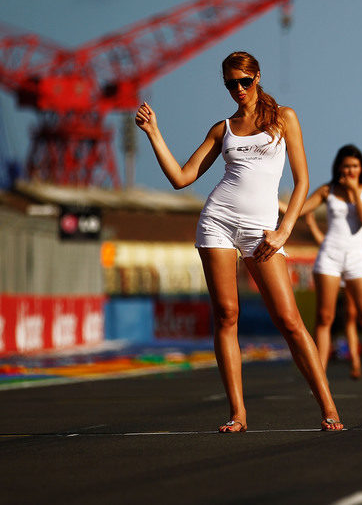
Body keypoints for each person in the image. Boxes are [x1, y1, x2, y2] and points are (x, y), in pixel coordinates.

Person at [134, 51, 342, 432]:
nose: (239, 89)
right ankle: (238, 414)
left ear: (258, 77)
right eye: (231, 83)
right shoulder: (223, 129)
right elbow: (182, 178)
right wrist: (154, 134)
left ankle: (329, 408)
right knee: (227, 315)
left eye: (245, 81)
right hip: (218, 223)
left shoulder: (285, 118)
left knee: (290, 321)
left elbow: (302, 183)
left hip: (264, 230)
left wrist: (284, 231)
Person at [299, 144, 362, 396]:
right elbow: (300, 209)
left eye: (355, 166)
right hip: (330, 255)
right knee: (324, 318)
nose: (351, 170)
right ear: (338, 168)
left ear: (361, 168)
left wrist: (356, 192)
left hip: (359, 257)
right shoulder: (327, 190)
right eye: (346, 166)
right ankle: (319, 377)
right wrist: (273, 205)